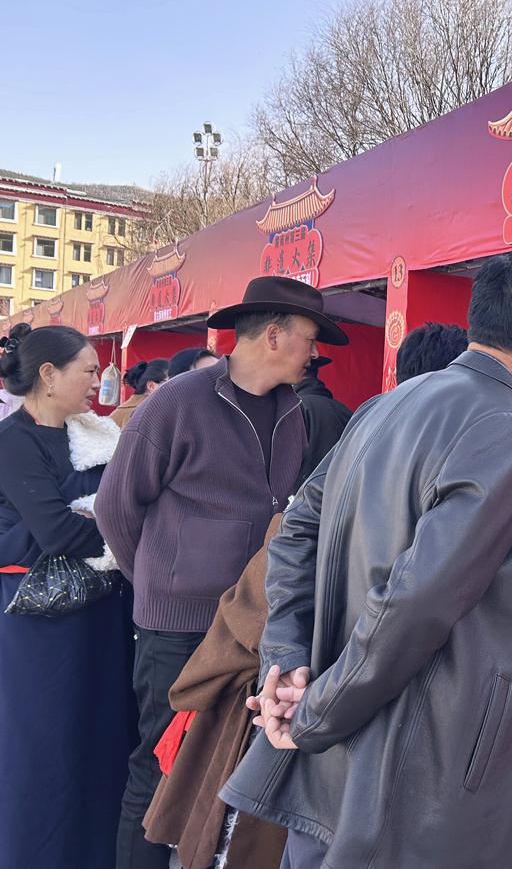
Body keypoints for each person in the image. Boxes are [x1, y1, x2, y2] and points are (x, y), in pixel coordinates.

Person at [220, 250, 512, 869]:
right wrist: (313, 710)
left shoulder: (385, 404)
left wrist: (289, 663)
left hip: (347, 740)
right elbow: (416, 601)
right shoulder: (510, 424)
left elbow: (294, 533)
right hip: (423, 765)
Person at [142, 322, 472, 869]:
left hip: (302, 682)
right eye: (310, 340)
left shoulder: (358, 428)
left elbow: (290, 537)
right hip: (326, 693)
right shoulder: (418, 440)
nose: (315, 354)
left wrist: (284, 657)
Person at [96, 277, 348, 869]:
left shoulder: (293, 411)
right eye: (310, 338)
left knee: (213, 766)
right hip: (178, 629)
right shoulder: (178, 401)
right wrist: (158, 583)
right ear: (273, 335)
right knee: (159, 767)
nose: (315, 354)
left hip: (249, 626)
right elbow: (115, 508)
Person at [0, 322, 134, 869]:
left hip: (100, 612)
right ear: (48, 375)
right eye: (88, 369)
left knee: (101, 735)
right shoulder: (15, 440)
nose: (99, 380)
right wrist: (123, 531)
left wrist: (104, 521)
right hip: (39, 620)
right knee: (44, 745)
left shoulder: (96, 434)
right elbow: (58, 532)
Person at [291, 356, 352, 496]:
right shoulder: (346, 412)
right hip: (341, 501)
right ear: (317, 373)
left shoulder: (291, 411)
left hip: (301, 503)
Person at [111, 359, 169, 429]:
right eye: (171, 382)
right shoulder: (150, 413)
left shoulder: (119, 413)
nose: (176, 387)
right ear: (151, 386)